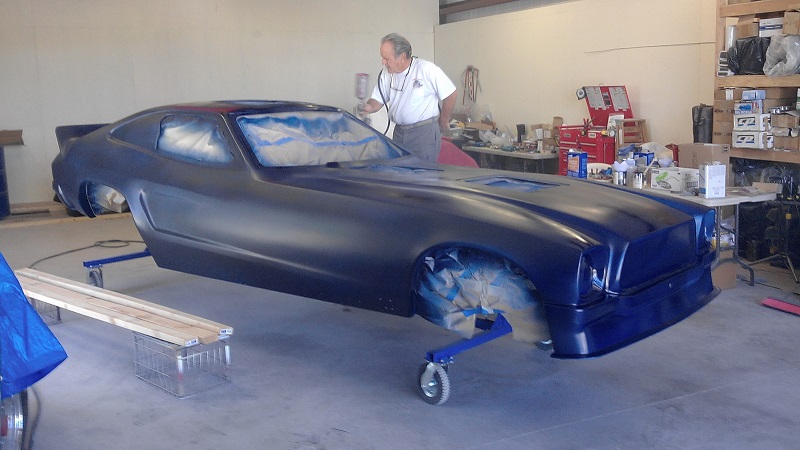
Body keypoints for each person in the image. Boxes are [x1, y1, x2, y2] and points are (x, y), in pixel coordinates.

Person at [359, 33, 457, 162]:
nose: (383, 62)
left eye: (387, 59)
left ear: (402, 57)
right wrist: (369, 107)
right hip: (399, 132)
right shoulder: (386, 74)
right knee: (401, 175)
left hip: (423, 134)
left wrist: (444, 120)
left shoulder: (426, 69)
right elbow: (378, 99)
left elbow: (451, 93)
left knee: (422, 176)